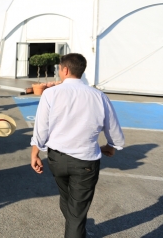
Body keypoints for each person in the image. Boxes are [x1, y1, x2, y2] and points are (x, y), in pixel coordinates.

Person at [30, 53, 125, 238]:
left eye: (59, 68)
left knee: (67, 199)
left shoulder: (51, 93)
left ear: (65, 70)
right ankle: (77, 231)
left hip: (57, 158)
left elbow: (41, 129)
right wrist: (111, 146)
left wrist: (35, 153)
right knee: (77, 209)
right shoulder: (98, 96)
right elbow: (113, 130)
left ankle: (77, 231)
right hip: (85, 161)